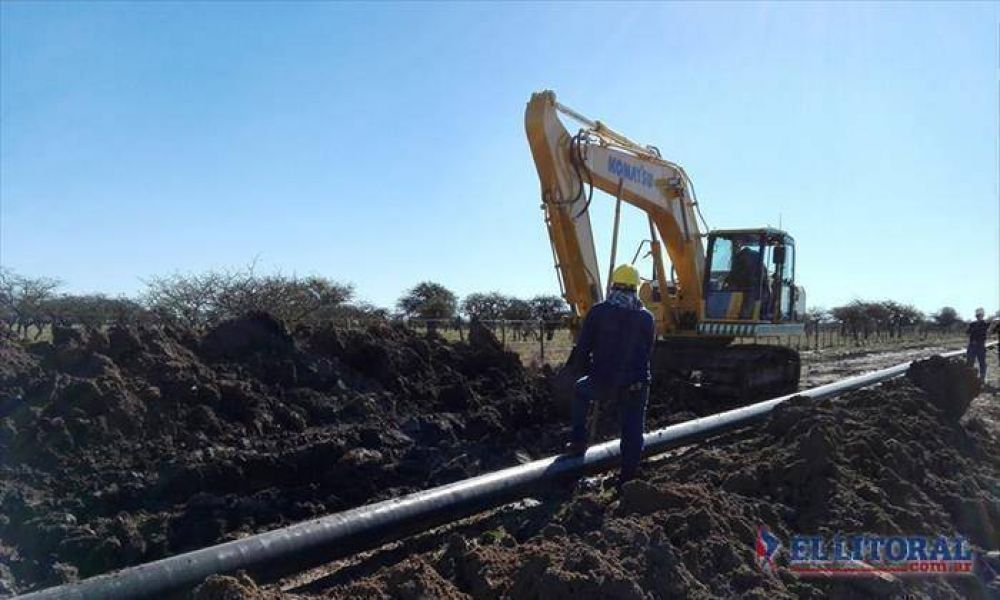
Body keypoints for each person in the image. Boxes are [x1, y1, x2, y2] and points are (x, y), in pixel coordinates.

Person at [565, 264, 656, 486]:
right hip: (637, 383)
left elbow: (583, 347)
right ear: (636, 288)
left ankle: (578, 441)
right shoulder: (646, 317)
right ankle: (628, 479)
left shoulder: (598, 312)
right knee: (633, 430)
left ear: (613, 285)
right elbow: (649, 349)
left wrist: (583, 369)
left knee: (580, 390)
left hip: (603, 381)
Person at [966, 307, 989, 381]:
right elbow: (967, 332)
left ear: (983, 315)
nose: (979, 316)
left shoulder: (986, 324)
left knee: (982, 362)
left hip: (980, 345)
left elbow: (990, 332)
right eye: (978, 315)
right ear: (976, 316)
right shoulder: (972, 324)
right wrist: (968, 326)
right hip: (972, 345)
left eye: (980, 315)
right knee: (970, 362)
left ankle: (982, 377)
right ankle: (970, 377)